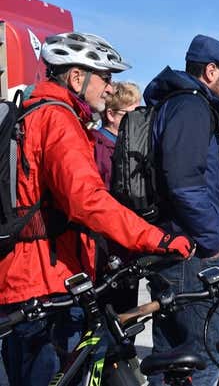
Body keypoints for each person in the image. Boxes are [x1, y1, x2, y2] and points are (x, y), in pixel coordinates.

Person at [0, 32, 193, 386]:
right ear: (77, 77)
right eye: (105, 76)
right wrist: (157, 239)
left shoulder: (35, 112)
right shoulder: (58, 120)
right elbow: (87, 200)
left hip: (26, 277)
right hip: (46, 284)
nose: (109, 87)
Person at [143, 34, 219, 386]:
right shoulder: (191, 106)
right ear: (210, 70)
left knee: (169, 357)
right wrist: (211, 237)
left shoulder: (176, 103)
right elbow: (184, 180)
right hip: (192, 252)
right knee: (205, 357)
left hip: (174, 245)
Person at [92, 81, 143, 314]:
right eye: (131, 115)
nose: (138, 123)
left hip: (127, 245)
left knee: (126, 319)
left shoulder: (132, 149)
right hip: (104, 248)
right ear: (111, 114)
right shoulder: (97, 146)